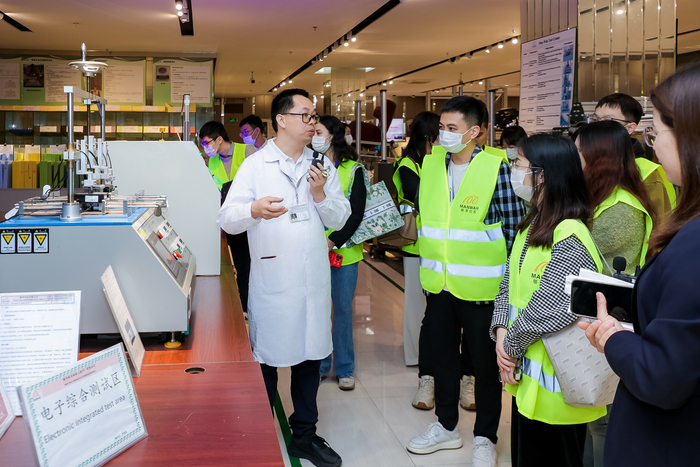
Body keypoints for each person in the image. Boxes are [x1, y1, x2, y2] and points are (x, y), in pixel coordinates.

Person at [217, 88, 350, 467]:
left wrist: (320, 194)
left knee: (309, 359)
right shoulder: (256, 166)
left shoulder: (320, 165)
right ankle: (258, 434)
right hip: (273, 282)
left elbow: (340, 218)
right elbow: (227, 218)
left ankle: (304, 436)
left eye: (313, 116)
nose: (312, 123)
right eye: (305, 115)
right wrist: (254, 209)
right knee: (269, 360)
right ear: (282, 120)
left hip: (312, 282)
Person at [580, 63, 700, 467]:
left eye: (656, 132)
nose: (653, 145)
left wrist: (612, 337)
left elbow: (661, 376)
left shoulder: (694, 242)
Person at [407, 96, 525, 467]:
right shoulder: (431, 164)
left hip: (483, 290)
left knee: (485, 367)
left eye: (452, 128)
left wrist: (510, 290)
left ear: (474, 132)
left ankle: (485, 436)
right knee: (442, 359)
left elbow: (513, 231)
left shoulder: (497, 167)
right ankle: (446, 426)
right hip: (438, 285)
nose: (443, 134)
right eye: (442, 127)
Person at [491, 133, 607, 467]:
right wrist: (500, 331)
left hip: (560, 394)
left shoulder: (570, 234)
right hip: (529, 385)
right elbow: (508, 286)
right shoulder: (532, 225)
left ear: (541, 175)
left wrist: (509, 348)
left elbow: (552, 308)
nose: (513, 171)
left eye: (519, 164)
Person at [576, 122, 657, 467]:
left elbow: (577, 253)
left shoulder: (622, 209)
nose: (573, 160)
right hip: (598, 319)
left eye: (578, 153)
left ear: (599, 159)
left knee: (602, 421)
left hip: (612, 322)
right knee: (593, 419)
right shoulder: (601, 198)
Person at [314, 115, 366, 391]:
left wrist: (333, 241)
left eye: (318, 131)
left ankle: (345, 368)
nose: (314, 136)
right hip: (313, 250)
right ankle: (321, 365)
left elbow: (356, 213)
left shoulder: (353, 169)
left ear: (331, 136)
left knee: (343, 310)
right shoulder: (311, 165)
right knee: (320, 310)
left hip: (344, 253)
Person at [392, 111, 439, 371]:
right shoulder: (407, 165)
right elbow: (422, 197)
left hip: (439, 244)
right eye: (437, 136)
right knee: (414, 301)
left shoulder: (438, 162)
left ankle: (435, 350)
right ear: (426, 137)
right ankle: (415, 354)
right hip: (415, 243)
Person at [590, 93, 676, 218]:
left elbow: (662, 222)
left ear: (629, 128)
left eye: (608, 121)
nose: (597, 127)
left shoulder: (649, 172)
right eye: (595, 120)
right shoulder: (586, 161)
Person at [200, 121, 256, 314]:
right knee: (235, 265)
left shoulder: (247, 151)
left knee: (248, 266)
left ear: (219, 139)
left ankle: (249, 307)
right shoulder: (212, 161)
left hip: (249, 219)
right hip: (227, 221)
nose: (206, 147)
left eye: (207, 143)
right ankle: (238, 308)